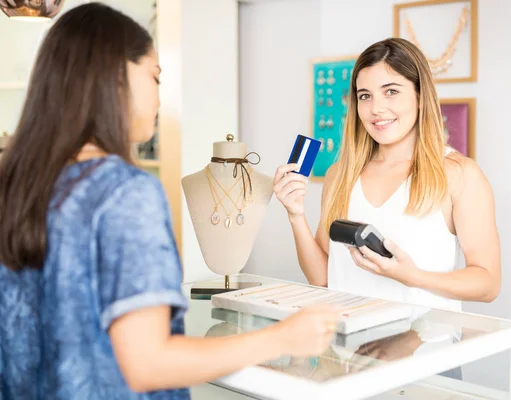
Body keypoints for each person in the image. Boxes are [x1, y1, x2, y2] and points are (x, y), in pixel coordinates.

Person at [0, 4, 338, 399]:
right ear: (116, 77)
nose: (161, 98)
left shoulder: (16, 184)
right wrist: (281, 338)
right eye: (156, 77)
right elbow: (148, 363)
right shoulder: (124, 191)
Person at [274, 37, 501, 313]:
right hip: (348, 349)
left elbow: (488, 284)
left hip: (427, 351)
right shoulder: (340, 175)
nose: (376, 109)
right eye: (365, 95)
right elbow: (322, 278)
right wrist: (295, 215)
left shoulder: (459, 174)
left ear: (420, 97)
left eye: (391, 91)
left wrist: (413, 276)